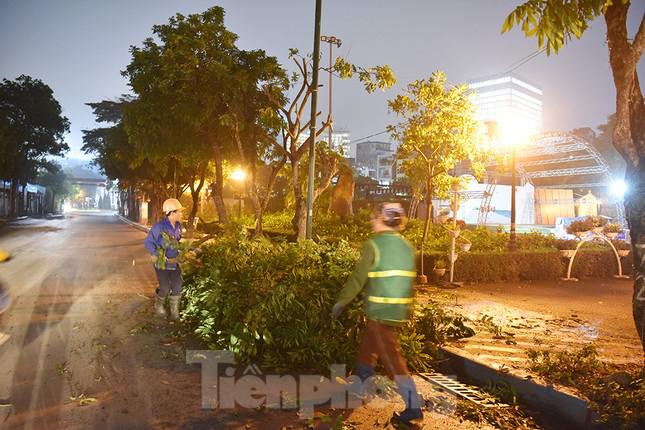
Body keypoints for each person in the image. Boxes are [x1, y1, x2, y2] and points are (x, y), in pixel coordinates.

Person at [332, 202, 423, 428]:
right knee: (367, 348)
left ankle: (414, 408)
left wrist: (341, 302)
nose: (371, 221)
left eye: (374, 218)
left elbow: (357, 279)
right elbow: (409, 283)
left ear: (383, 220)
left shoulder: (374, 245)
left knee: (394, 362)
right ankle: (360, 385)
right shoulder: (407, 247)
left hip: (380, 312)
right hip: (396, 311)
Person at [144, 198, 184, 320]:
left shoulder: (178, 226)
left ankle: (174, 312)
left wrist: (190, 249)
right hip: (162, 263)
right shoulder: (159, 227)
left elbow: (177, 242)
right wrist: (156, 253)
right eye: (179, 212)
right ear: (172, 213)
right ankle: (159, 306)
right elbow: (148, 242)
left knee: (177, 286)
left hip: (174, 262)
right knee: (165, 288)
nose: (181, 214)